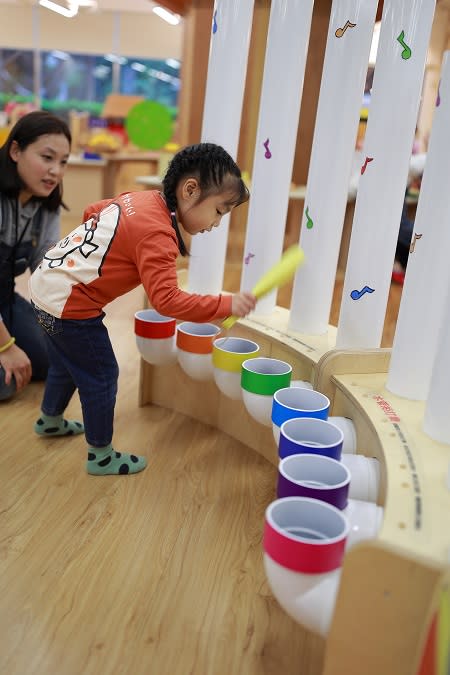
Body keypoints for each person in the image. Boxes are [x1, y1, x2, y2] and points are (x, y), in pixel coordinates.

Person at [29, 142, 257, 477]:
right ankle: (101, 457)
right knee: (102, 376)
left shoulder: (142, 199)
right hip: (70, 306)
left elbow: (95, 209)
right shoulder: (158, 234)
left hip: (44, 285)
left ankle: (50, 419)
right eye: (220, 211)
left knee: (66, 361)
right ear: (190, 190)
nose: (217, 223)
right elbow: (167, 301)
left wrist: (93, 252)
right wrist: (226, 304)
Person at [0, 110, 71, 401]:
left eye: (63, 162)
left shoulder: (47, 204)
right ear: (15, 150)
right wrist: (6, 348)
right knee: (4, 382)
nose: (56, 170)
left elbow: (46, 270)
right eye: (47, 157)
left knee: (58, 358)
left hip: (5, 301)